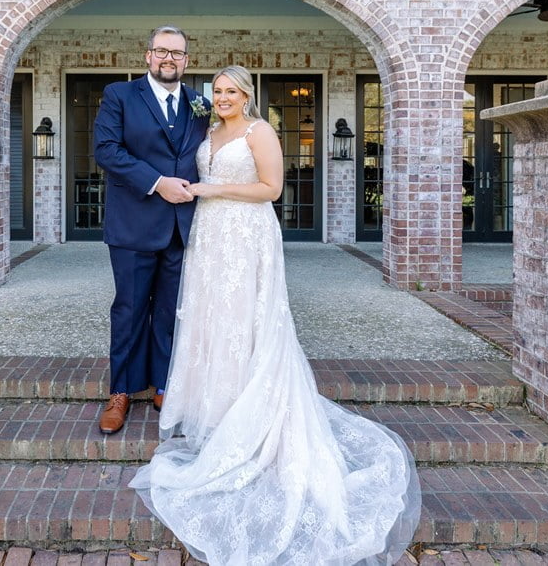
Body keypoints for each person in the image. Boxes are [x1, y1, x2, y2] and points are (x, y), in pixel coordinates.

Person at [130, 66, 421, 565]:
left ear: (247, 95)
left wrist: (209, 190)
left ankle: (253, 410)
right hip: (212, 235)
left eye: (231, 92)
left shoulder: (258, 131)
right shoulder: (209, 131)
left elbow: (271, 189)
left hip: (247, 234)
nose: (222, 98)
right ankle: (218, 405)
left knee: (248, 318)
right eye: (217, 91)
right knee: (213, 319)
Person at [92, 25, 211, 435]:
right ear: (147, 56)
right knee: (129, 308)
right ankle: (121, 391)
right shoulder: (119, 96)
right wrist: (158, 182)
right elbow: (107, 150)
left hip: (182, 226)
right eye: (161, 51)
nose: (168, 59)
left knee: (170, 310)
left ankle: (164, 383)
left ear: (187, 61)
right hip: (133, 223)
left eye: (177, 53)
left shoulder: (200, 103)